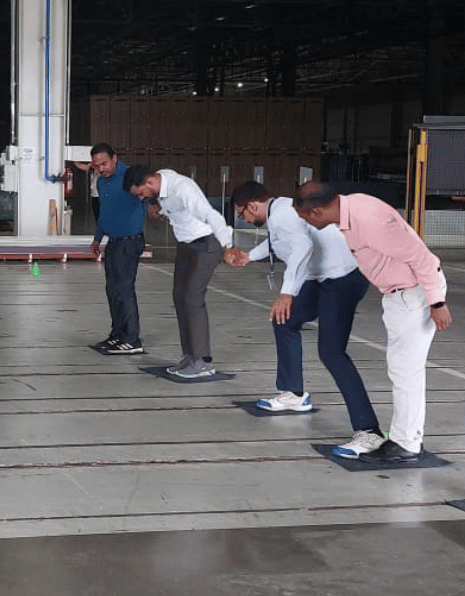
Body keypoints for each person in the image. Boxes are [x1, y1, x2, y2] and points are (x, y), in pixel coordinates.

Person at [293, 180, 452, 464]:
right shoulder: (352, 209)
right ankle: (404, 439)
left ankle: (407, 444)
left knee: (406, 372)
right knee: (401, 370)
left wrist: (436, 302)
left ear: (316, 212)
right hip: (399, 295)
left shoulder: (368, 219)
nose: (307, 223)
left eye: (305, 218)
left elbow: (423, 258)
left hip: (414, 294)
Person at [226, 181, 384, 458]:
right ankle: (293, 394)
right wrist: (249, 256)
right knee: (284, 320)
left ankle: (369, 431)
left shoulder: (283, 215)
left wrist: (287, 293)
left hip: (343, 280)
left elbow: (301, 247)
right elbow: (277, 243)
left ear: (252, 206)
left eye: (243, 215)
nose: (245, 220)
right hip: (320, 279)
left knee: (332, 353)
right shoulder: (280, 211)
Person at [124, 164, 235, 378]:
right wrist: (160, 208)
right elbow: (170, 202)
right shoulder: (162, 181)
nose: (141, 198)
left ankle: (203, 361)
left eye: (141, 194)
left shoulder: (183, 188)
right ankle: (190, 356)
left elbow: (211, 215)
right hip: (186, 245)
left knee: (192, 298)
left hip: (206, 244)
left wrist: (228, 246)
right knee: (180, 297)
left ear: (149, 182)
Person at [90, 143, 147, 354]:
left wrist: (153, 208)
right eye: (96, 166)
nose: (101, 169)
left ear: (115, 158)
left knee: (124, 289)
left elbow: (148, 196)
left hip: (129, 241)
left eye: (104, 163)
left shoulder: (130, 176)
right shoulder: (101, 182)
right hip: (113, 242)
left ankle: (132, 339)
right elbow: (104, 213)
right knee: (113, 290)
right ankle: (117, 334)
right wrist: (97, 238)